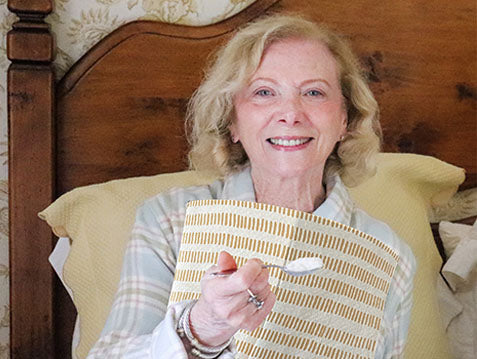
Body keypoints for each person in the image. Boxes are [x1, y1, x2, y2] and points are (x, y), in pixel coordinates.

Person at [88, 14, 416, 359]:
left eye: (314, 92)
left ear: (344, 120)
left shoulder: (389, 256)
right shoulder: (168, 222)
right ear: (233, 121)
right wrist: (203, 328)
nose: (290, 113)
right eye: (264, 92)